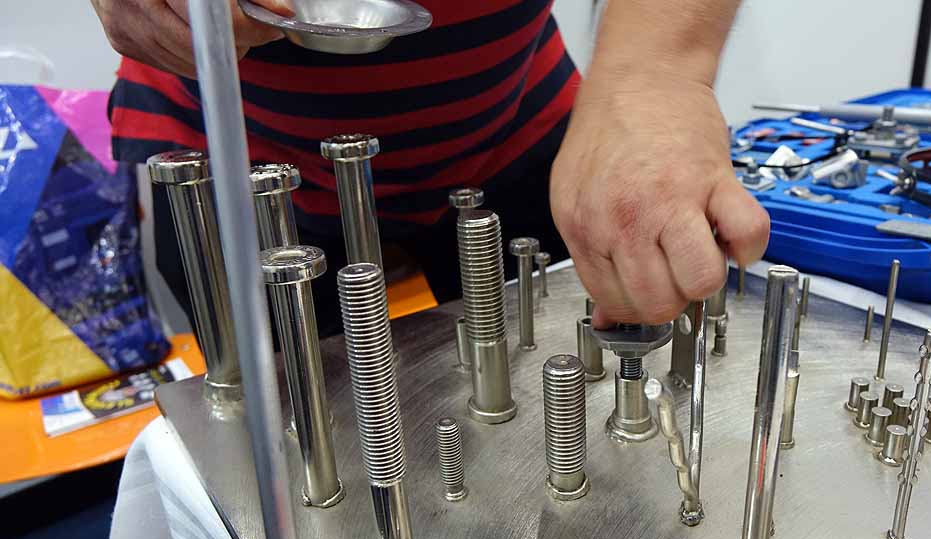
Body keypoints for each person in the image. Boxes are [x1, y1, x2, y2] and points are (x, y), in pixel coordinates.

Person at [92, 0, 768, 335]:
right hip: (232, 158)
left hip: (513, 132)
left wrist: (656, 76)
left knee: (551, 371)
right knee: (299, 438)